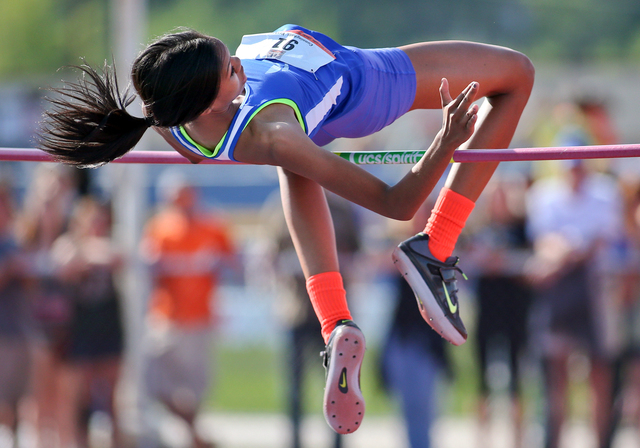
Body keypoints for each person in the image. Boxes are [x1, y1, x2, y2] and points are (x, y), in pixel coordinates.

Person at [38, 23, 534, 434]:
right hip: (368, 82)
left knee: (295, 166)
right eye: (231, 71)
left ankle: (336, 321)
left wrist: (240, 85)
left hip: (303, 104)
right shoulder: (272, 133)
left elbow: (218, 130)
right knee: (517, 74)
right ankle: (436, 245)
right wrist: (445, 142)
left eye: (229, 54)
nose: (239, 64)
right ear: (208, 104)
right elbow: (396, 202)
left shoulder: (171, 116)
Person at [140, 172, 236, 448]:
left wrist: (213, 263)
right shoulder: (159, 227)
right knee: (153, 382)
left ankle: (192, 436)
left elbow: (233, 263)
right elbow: (149, 268)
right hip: (166, 317)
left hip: (199, 317)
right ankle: (195, 435)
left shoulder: (212, 225)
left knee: (194, 389)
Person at [50, 196, 125, 448]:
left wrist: (88, 254)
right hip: (81, 328)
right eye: (93, 220)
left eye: (101, 220)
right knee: (80, 400)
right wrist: (88, 254)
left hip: (108, 324)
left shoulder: (109, 243)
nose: (98, 225)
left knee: (112, 401)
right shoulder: (68, 243)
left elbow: (117, 258)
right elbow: (64, 265)